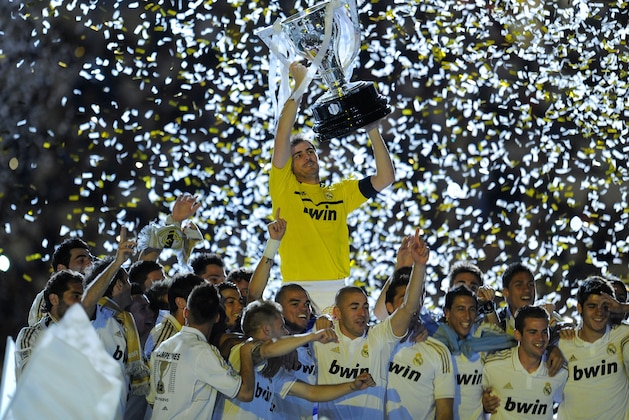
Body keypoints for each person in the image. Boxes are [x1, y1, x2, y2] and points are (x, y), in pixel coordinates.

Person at [269, 61, 395, 310]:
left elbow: (385, 178)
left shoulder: (340, 192)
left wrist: (371, 129)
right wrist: (300, 87)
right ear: (290, 166)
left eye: (310, 151)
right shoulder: (284, 187)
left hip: (337, 287)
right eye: (299, 155)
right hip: (297, 287)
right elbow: (282, 134)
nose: (307, 157)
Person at [313, 228, 427, 418]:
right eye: (354, 307)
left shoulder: (380, 337)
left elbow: (407, 308)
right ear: (337, 313)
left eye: (365, 306)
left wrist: (419, 267)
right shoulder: (320, 338)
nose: (362, 313)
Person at [214, 300, 376, 419]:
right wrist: (312, 336)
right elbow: (268, 348)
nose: (286, 332)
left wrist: (352, 386)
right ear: (267, 329)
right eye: (282, 327)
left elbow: (311, 392)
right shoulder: (243, 349)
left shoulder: (271, 369)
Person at [148, 283, 257, 419]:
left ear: (186, 312)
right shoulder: (203, 353)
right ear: (217, 317)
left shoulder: (163, 347)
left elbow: (153, 401)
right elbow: (245, 393)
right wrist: (246, 350)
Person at [432, 285, 516, 420]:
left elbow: (510, 345)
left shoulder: (483, 337)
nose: (467, 316)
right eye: (460, 309)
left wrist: (488, 399)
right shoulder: (432, 344)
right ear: (446, 313)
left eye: (472, 310)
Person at [384, 268, 456, 420]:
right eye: (404, 299)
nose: (410, 305)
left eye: (415, 299)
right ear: (389, 307)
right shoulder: (373, 342)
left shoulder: (438, 351)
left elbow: (445, 412)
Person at [556, 276, 629, 420]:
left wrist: (623, 307)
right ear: (579, 308)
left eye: (605, 306)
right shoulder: (562, 343)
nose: (599, 312)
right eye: (592, 306)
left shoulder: (623, 336)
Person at [482, 305, 568, 419]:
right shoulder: (492, 366)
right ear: (518, 334)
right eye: (533, 332)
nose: (540, 338)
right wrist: (483, 403)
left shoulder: (559, 371)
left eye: (544, 332)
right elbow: (470, 399)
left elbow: (577, 405)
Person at [15, 270, 85, 380]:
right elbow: (29, 381)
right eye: (75, 296)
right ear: (54, 299)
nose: (80, 303)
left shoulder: (86, 335)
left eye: (82, 298)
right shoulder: (31, 335)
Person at [27, 237, 94, 326]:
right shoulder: (45, 299)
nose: (89, 265)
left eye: (90, 260)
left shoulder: (100, 295)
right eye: (81, 261)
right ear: (62, 269)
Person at [143, 272, 205, 359]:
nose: (205, 306)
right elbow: (156, 371)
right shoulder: (165, 337)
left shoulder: (187, 332)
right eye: (199, 301)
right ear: (180, 303)